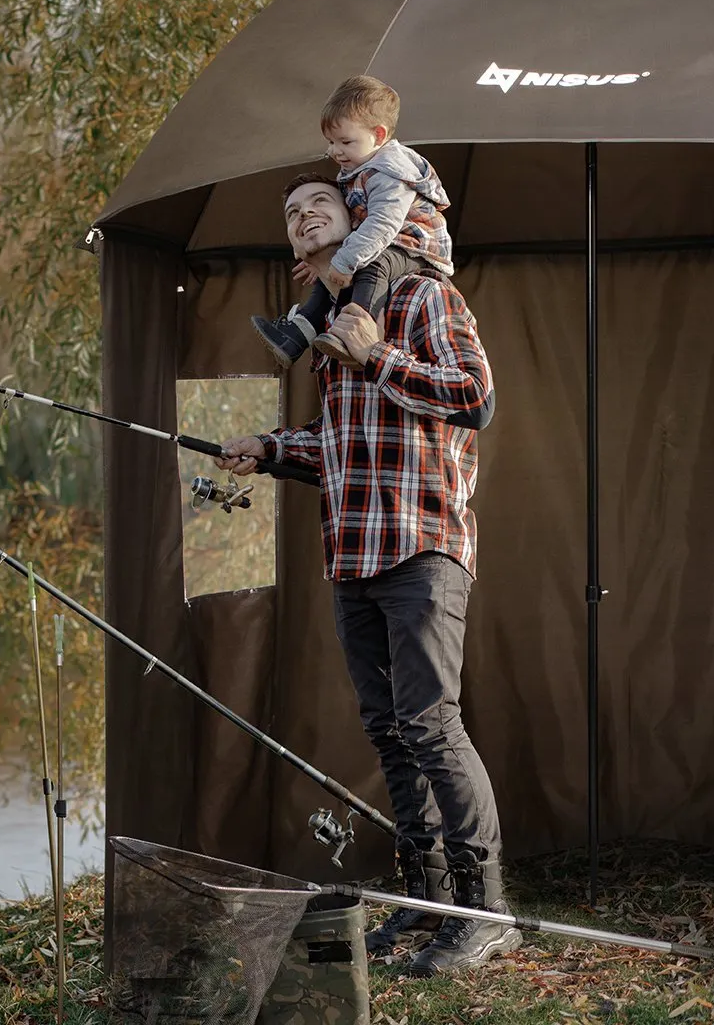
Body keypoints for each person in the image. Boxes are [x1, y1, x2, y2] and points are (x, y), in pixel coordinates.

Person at [217, 174, 520, 977]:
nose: (301, 217)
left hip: (423, 548)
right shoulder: (322, 330)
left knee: (429, 725)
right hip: (352, 553)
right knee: (389, 733)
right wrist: (271, 448)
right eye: (289, 213)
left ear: (360, 218)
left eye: (318, 203)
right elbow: (344, 445)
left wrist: (376, 352)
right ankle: (423, 906)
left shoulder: (422, 297)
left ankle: (485, 915)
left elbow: (476, 397)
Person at [250, 75, 453, 371]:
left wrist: (345, 259)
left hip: (415, 247)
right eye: (331, 142)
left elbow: (383, 224)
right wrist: (323, 262)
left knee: (371, 265)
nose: (335, 151)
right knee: (329, 279)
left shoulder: (389, 172)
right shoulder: (361, 164)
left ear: (379, 135)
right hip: (386, 242)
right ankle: (295, 336)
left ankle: (356, 332)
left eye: (345, 142)